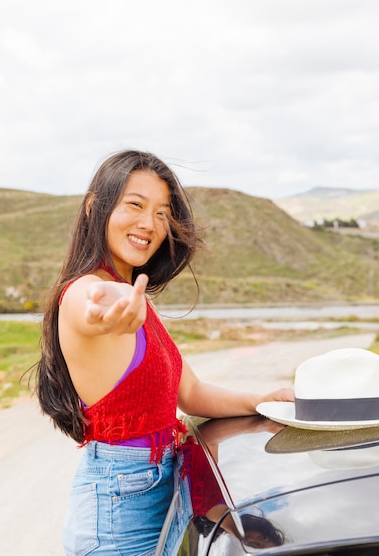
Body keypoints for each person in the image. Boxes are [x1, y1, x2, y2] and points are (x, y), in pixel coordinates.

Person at [33, 149, 293, 556]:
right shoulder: (87, 292)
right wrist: (106, 311)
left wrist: (263, 401)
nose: (149, 224)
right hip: (117, 516)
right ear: (93, 207)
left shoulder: (138, 300)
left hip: (155, 495)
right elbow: (91, 304)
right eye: (135, 205)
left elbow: (190, 393)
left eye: (162, 213)